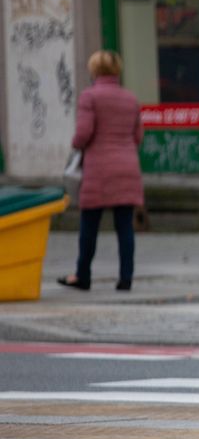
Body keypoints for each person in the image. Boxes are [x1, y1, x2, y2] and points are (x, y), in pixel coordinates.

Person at [57, 50, 143, 292]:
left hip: (98, 169)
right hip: (127, 167)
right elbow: (138, 135)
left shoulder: (90, 97)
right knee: (125, 225)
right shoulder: (130, 98)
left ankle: (82, 275)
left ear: (94, 70)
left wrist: (75, 146)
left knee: (89, 225)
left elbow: (83, 133)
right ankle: (126, 278)